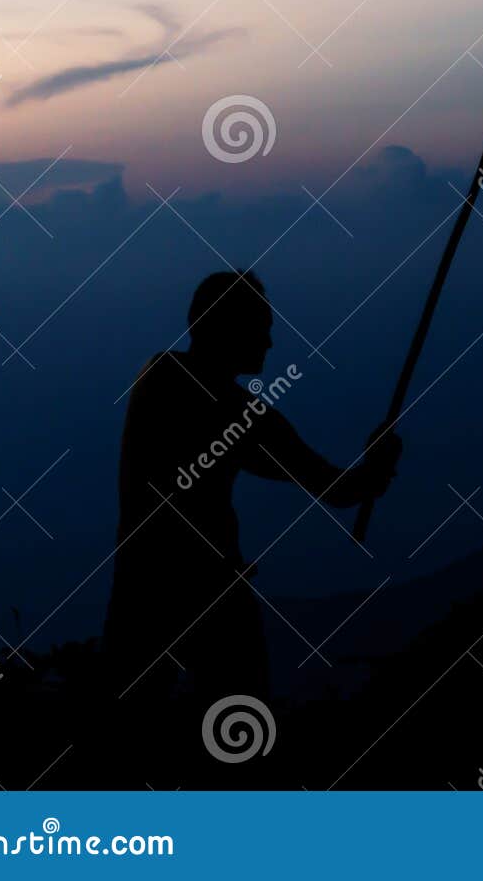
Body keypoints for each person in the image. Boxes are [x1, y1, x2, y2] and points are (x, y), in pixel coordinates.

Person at [103, 269, 401, 710]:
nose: (269, 343)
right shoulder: (236, 413)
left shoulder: (158, 378)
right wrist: (379, 463)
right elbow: (336, 489)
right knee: (240, 727)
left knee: (127, 732)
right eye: (260, 330)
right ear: (229, 330)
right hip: (210, 599)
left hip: (137, 593)